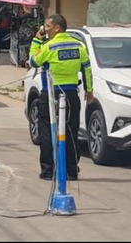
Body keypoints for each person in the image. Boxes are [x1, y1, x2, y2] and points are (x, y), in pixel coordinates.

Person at [30, 14, 93, 182]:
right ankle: (71, 171)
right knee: (71, 132)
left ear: (57, 28)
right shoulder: (79, 45)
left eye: (48, 26)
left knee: (47, 132)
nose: (45, 29)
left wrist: (36, 41)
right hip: (71, 94)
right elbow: (87, 69)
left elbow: (33, 62)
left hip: (50, 94)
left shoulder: (49, 47)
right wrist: (89, 90)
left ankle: (48, 171)